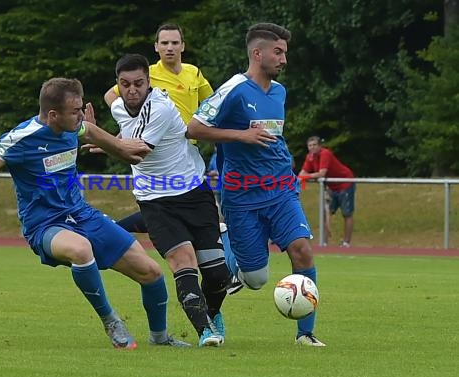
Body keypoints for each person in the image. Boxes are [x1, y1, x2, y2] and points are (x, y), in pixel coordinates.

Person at [0, 78, 190, 349]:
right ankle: (111, 320)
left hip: (82, 215)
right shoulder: (21, 139)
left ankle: (160, 338)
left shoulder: (76, 128)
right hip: (44, 225)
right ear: (53, 115)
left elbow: (104, 138)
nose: (81, 115)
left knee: (152, 272)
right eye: (75, 110)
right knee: (80, 249)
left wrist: (132, 147)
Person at [187, 22, 326, 347]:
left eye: (285, 53)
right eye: (278, 52)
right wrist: (241, 136)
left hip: (280, 189)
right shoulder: (233, 88)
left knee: (302, 251)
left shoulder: (279, 92)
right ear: (257, 52)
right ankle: (228, 241)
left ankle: (305, 334)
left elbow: (269, 135)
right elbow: (194, 128)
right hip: (241, 196)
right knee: (256, 279)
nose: (284, 60)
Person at [99, 54, 232, 347]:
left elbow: (137, 151)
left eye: (138, 83)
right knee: (183, 261)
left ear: (149, 82)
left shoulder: (159, 106)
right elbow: (121, 118)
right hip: (155, 201)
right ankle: (206, 332)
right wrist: (114, 137)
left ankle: (211, 313)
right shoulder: (120, 104)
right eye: (125, 84)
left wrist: (100, 139)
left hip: (194, 194)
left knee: (218, 275)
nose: (132, 90)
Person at [103, 23, 214, 234]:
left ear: (183, 46)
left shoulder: (194, 72)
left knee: (182, 204)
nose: (169, 47)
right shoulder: (146, 75)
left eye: (174, 42)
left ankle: (114, 229)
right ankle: (115, 230)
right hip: (156, 148)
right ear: (156, 47)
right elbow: (111, 95)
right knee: (166, 203)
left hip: (187, 148)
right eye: (164, 43)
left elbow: (211, 104)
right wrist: (130, 126)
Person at [299, 136, 355, 247]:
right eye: (310, 145)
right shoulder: (310, 157)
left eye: (315, 145)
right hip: (331, 187)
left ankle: (346, 243)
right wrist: (305, 177)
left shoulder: (325, 153)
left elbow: (321, 173)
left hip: (345, 183)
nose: (312, 148)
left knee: (347, 213)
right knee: (325, 214)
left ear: (320, 146)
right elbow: (301, 174)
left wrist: (307, 177)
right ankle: (324, 243)